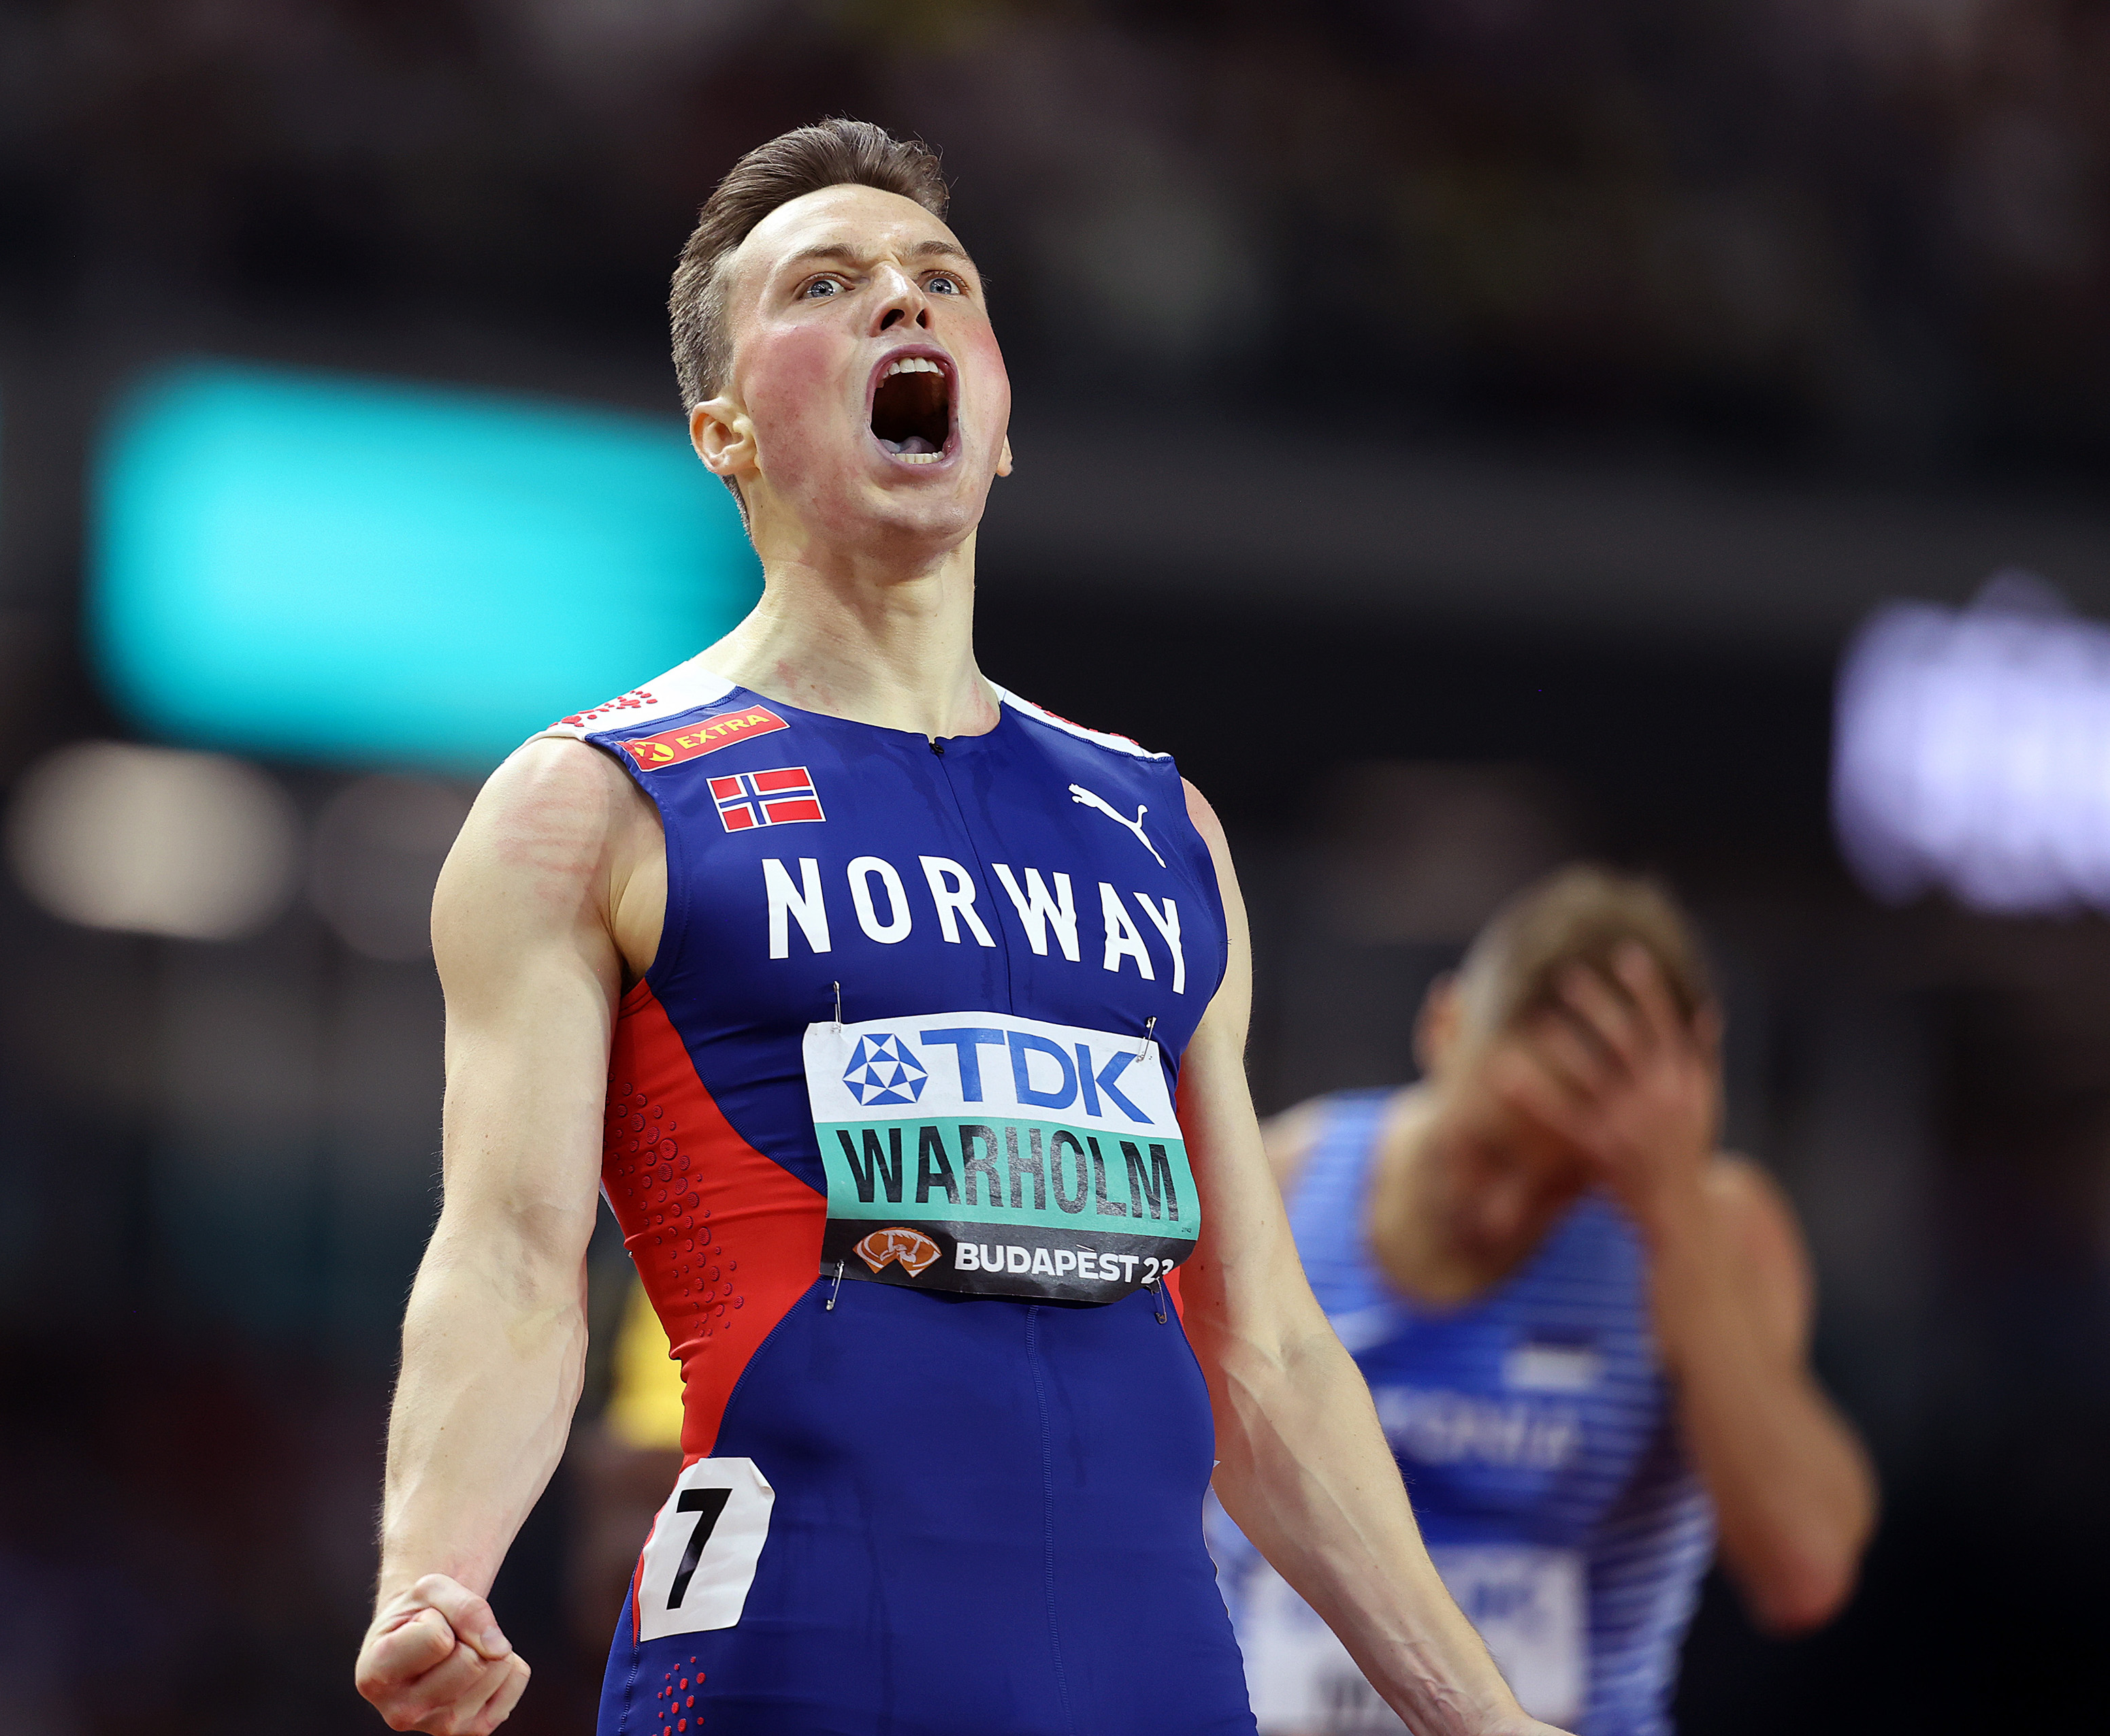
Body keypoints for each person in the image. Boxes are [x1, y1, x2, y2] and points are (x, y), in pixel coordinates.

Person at [351, 118, 1571, 1736]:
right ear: (725, 431)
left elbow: (1265, 1352)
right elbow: (509, 1259)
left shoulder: (1160, 827)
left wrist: (1484, 1718)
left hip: (1154, 1679)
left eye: (943, 280)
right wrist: (432, 1570)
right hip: (797, 1657)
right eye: (825, 285)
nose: (901, 301)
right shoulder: (595, 803)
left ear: (997, 426)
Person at [1205, 866, 1878, 1735]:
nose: (1503, 1211)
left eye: (1568, 1182)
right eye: (1486, 1150)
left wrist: (1674, 1216)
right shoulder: (1280, 1183)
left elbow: (1803, 1572)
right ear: (1443, 1025)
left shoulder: (1707, 1234)